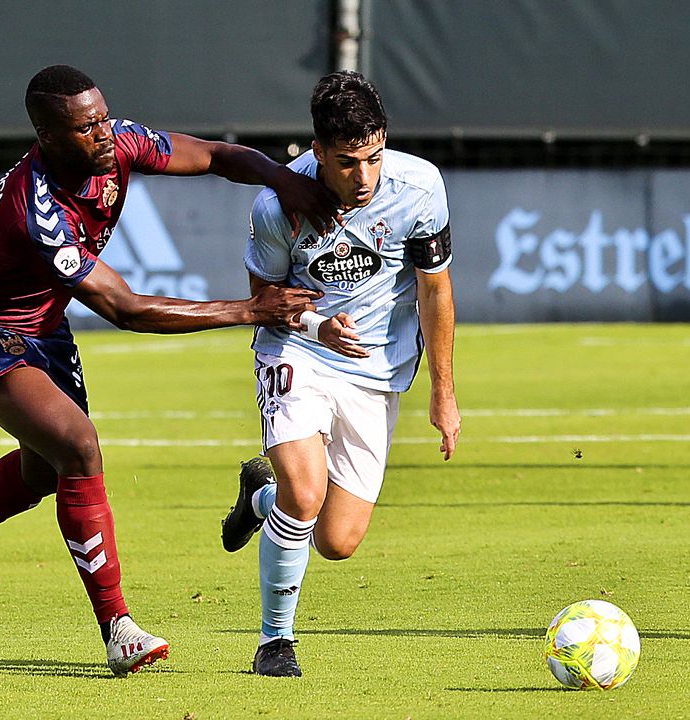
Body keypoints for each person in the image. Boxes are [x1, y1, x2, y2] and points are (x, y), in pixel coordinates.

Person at [0, 65, 342, 677]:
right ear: (48, 136)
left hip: (43, 326)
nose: (104, 134)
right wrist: (250, 309)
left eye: (103, 116)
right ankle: (119, 629)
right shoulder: (34, 209)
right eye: (86, 127)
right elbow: (126, 308)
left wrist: (281, 177)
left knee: (44, 472)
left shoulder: (118, 142)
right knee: (79, 447)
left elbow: (217, 155)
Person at [219, 71, 461, 677]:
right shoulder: (280, 203)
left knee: (337, 541)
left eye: (375, 157)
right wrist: (314, 326)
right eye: (350, 163)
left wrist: (443, 392)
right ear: (319, 150)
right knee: (306, 495)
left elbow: (435, 293)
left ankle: (263, 495)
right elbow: (263, 294)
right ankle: (276, 641)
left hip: (377, 368)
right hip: (294, 350)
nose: (366, 178)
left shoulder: (420, 187)